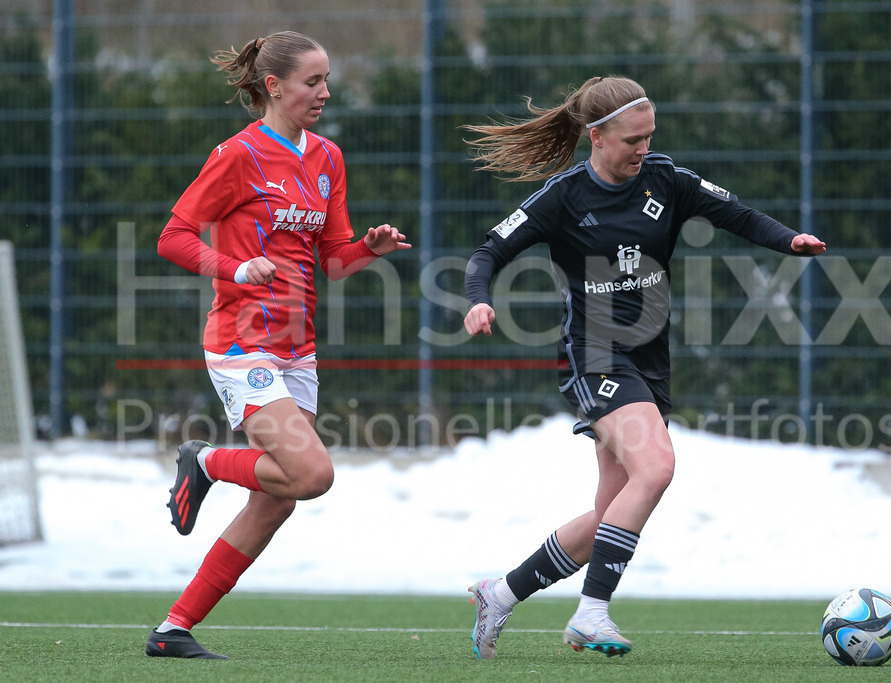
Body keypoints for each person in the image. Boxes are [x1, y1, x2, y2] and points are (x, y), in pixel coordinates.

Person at [462, 75, 825, 659]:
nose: (644, 149)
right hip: (596, 355)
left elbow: (738, 214)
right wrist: (479, 298)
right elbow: (490, 250)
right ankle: (592, 613)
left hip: (650, 360)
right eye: (634, 139)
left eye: (650, 136)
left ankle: (500, 593)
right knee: (655, 468)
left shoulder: (666, 179)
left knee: (611, 514)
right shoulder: (562, 196)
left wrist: (790, 242)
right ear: (597, 136)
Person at [146, 31, 410, 659]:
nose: (324, 91)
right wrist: (234, 269)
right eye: (311, 81)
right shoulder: (239, 155)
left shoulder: (327, 156)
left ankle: (172, 630)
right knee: (311, 474)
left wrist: (367, 250)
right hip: (241, 342)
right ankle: (206, 461)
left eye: (326, 80)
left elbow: (335, 264)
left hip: (297, 345)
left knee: (277, 503)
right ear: (274, 86)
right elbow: (173, 237)